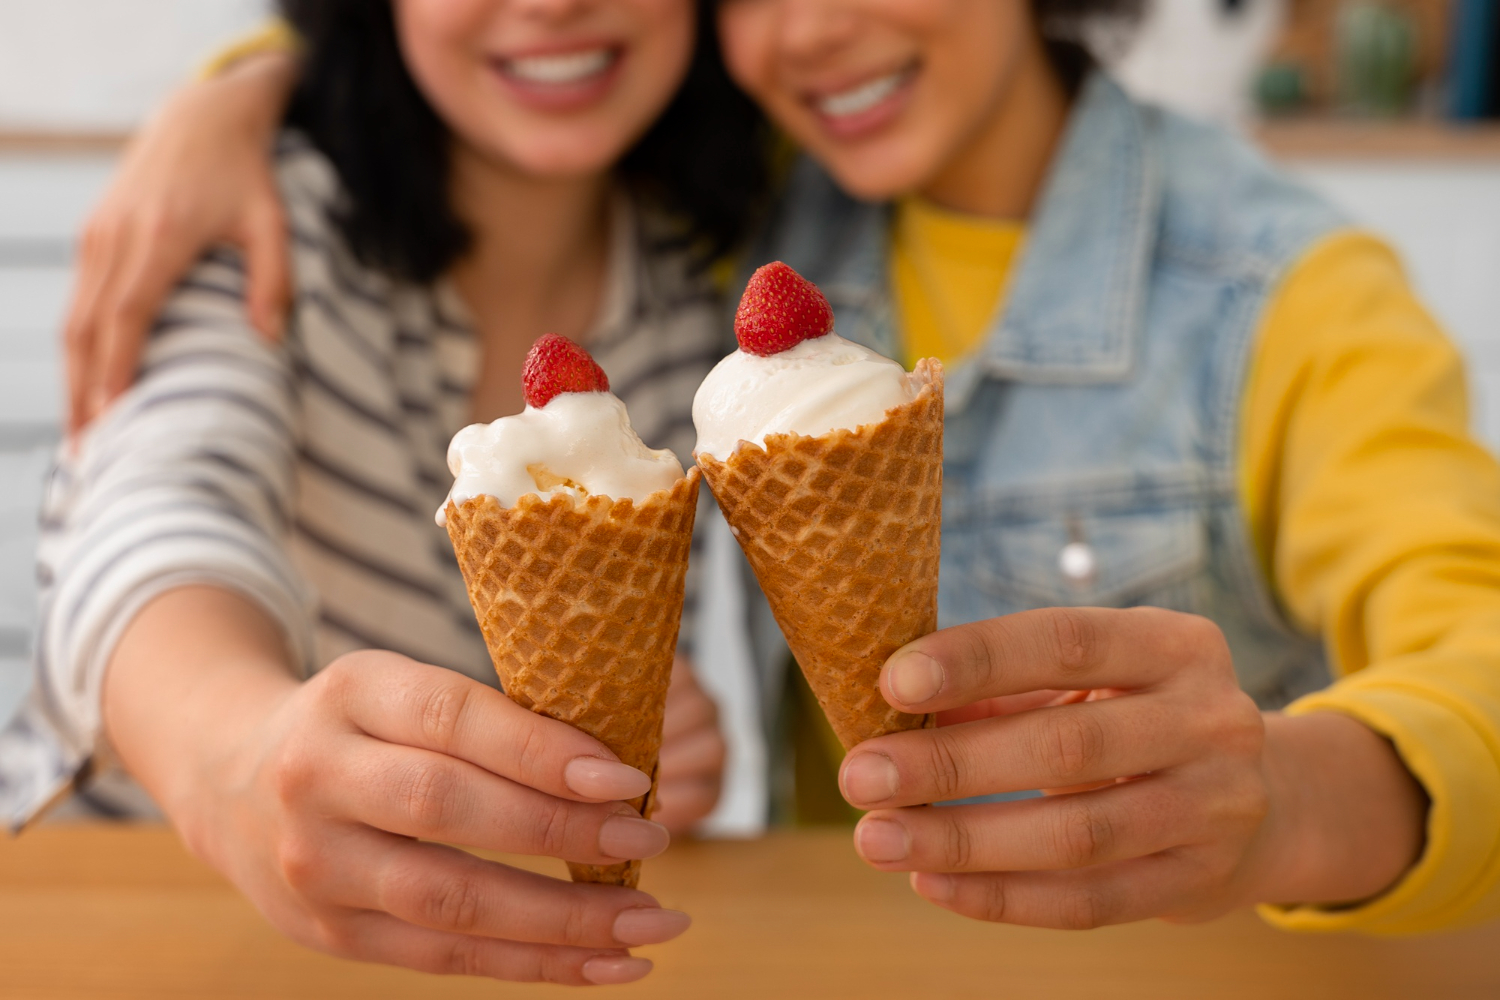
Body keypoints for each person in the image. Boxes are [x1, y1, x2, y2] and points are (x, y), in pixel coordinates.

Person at [39, 0, 1500, 941]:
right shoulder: (746, 218)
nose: (812, 30)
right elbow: (165, 506)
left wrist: (1292, 799)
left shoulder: (1286, 292)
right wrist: (243, 88)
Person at [1, 0, 770, 986]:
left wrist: (639, 757)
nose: (553, 5)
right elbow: (150, 517)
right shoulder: (257, 218)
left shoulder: (690, 296)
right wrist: (235, 748)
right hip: (127, 930)